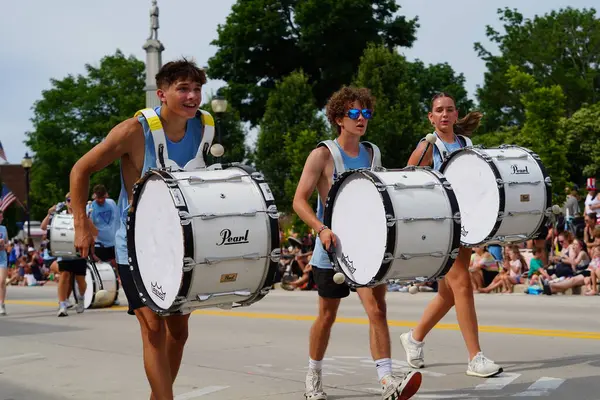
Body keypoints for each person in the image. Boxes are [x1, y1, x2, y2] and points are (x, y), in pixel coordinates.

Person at [70, 59, 213, 400]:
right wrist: (81, 224)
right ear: (162, 94)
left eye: (196, 89)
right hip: (135, 244)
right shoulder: (135, 131)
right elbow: (80, 170)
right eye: (183, 89)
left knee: (179, 332)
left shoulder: (204, 128)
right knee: (153, 329)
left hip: (179, 244)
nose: (192, 96)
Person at [293, 86, 422, 400]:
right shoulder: (323, 155)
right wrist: (321, 229)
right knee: (327, 316)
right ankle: (313, 374)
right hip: (332, 250)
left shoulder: (373, 152)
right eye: (354, 113)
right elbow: (299, 201)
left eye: (366, 112)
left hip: (368, 249)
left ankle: (386, 381)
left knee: (377, 311)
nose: (361, 118)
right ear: (339, 118)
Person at [401, 92, 502, 378]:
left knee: (447, 295)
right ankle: (475, 357)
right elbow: (407, 187)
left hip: (465, 225)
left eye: (449, 110)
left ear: (456, 115)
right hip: (441, 227)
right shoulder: (427, 146)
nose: (444, 115)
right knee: (462, 286)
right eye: (438, 110)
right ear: (430, 117)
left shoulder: (466, 144)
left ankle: (414, 337)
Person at [41, 193, 89, 316]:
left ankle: (81, 297)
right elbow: (43, 227)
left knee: (81, 282)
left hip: (78, 253)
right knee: (64, 276)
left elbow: (93, 232)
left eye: (74, 200)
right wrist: (49, 214)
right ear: (66, 202)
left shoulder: (82, 217)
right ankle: (62, 305)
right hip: (63, 252)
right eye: (69, 200)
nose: (71, 203)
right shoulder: (60, 217)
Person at [87, 184, 120, 305]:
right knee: (102, 272)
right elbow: (89, 230)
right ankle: (100, 293)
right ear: (95, 196)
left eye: (103, 198)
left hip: (113, 242)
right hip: (99, 244)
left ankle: (114, 295)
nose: (101, 200)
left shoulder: (111, 203)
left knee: (118, 270)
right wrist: (92, 250)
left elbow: (117, 220)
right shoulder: (90, 207)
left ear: (106, 196)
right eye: (98, 198)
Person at [0, 210, 9, 315]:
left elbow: (7, 244)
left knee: (2, 281)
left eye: (1, 217)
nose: (1, 218)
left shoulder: (3, 229)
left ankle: (2, 304)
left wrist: (5, 245)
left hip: (2, 258)